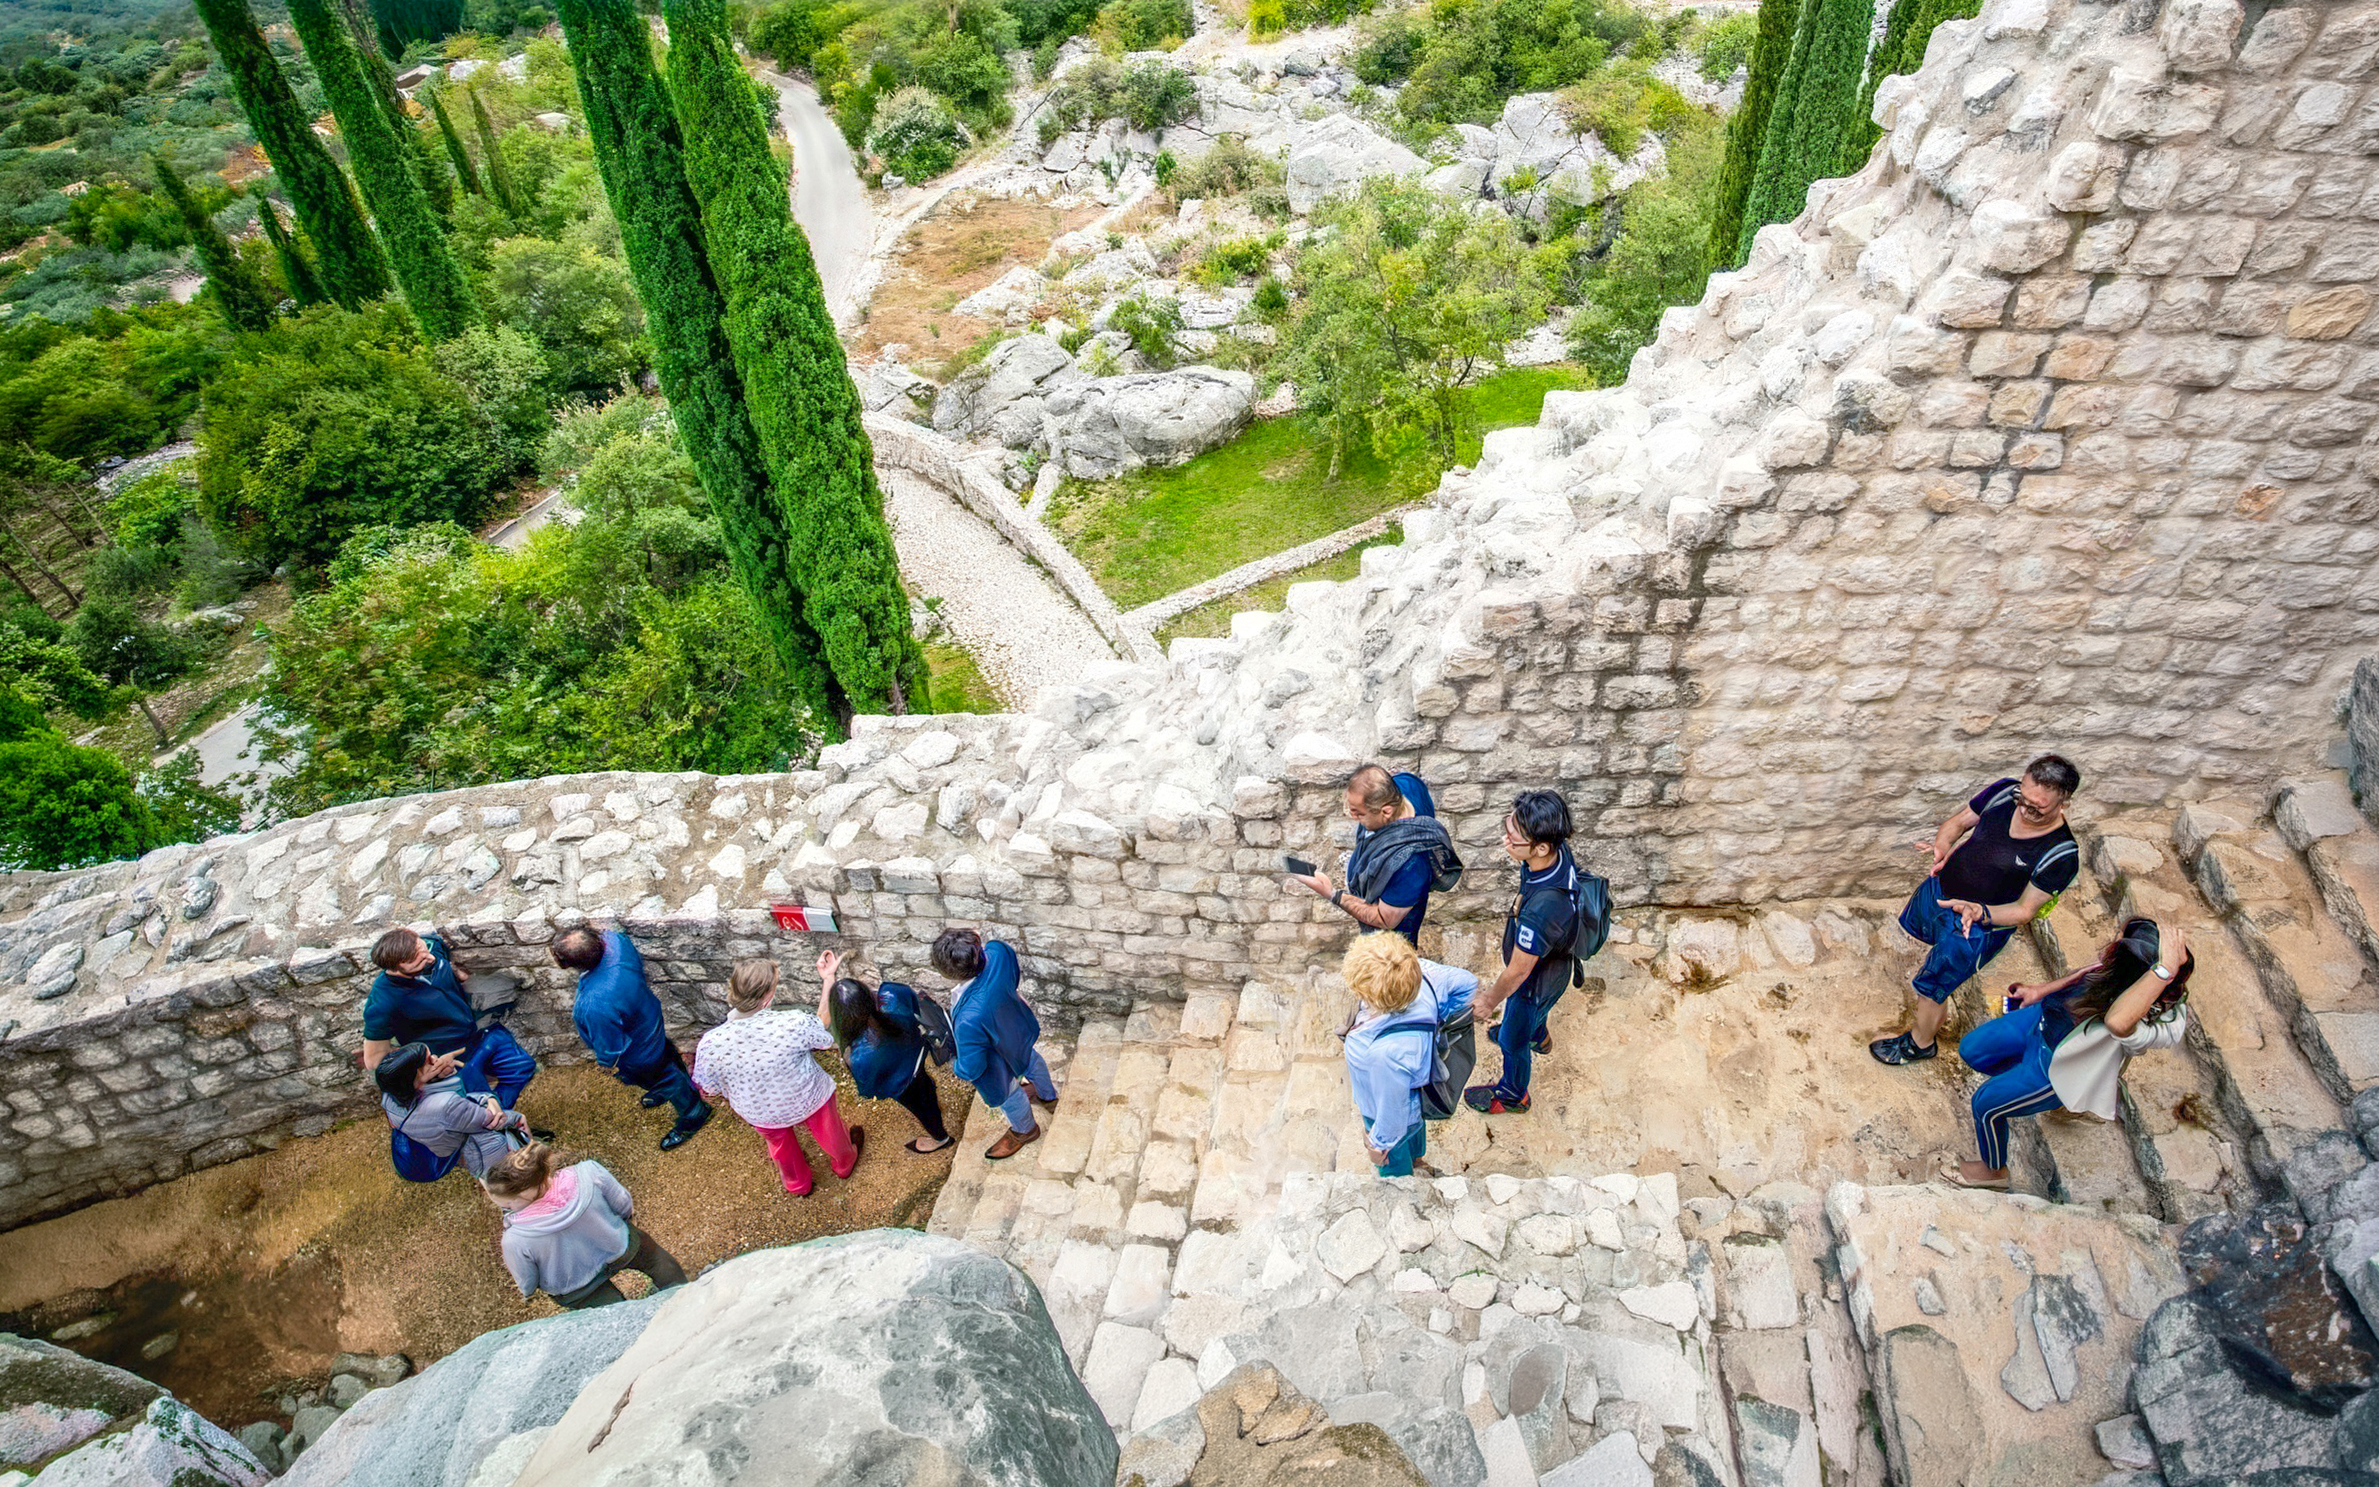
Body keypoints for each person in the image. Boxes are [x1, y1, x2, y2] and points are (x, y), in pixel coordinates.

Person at [1941, 919, 2193, 1189]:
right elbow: (2088, 973)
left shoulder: (2158, 1023)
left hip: (2054, 1066)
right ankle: (2020, 1089)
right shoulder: (2118, 971)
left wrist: (2165, 969)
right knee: (1972, 1050)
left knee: (1985, 1105)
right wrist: (2040, 991)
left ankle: (1993, 1171)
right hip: (2037, 1022)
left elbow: (2118, 1022)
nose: (2114, 943)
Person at [1872, 756, 2084, 1067]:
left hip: (1977, 928)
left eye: (2037, 807)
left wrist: (1979, 912)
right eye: (2022, 799)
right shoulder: (2002, 793)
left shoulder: (2060, 855)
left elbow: (2025, 910)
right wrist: (1942, 846)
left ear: (2064, 801)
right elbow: (1958, 823)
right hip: (1942, 894)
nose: (2024, 810)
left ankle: (1920, 1043)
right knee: (1935, 971)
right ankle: (1940, 997)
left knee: (1932, 987)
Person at [691, 959, 864, 1196]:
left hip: (760, 1111)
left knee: (781, 1148)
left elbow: (709, 1087)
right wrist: (828, 979)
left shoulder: (710, 1044)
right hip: (808, 1096)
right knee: (831, 1132)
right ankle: (844, 1164)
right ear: (766, 998)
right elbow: (822, 1027)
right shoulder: (791, 1022)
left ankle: (798, 1184)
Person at [1464, 790, 1582, 1116]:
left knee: (1511, 1043)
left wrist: (1489, 999)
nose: (1506, 841)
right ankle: (1539, 1037)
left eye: (1513, 838)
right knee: (1532, 1019)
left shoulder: (1545, 907)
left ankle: (1514, 1095)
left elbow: (1518, 971)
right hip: (1555, 970)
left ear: (1541, 847)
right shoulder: (1555, 854)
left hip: (1535, 983)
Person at [361, 927, 544, 1129]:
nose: (430, 958)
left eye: (425, 949)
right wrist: (425, 1069)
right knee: (481, 1106)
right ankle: (500, 1133)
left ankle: (501, 1119)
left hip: (480, 1034)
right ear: (397, 967)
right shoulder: (383, 1002)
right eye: (419, 960)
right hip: (450, 1059)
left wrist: (457, 972)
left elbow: (436, 950)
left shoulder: (430, 947)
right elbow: (374, 1060)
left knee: (521, 1068)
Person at [552, 926, 713, 1152]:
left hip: (639, 1053)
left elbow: (611, 1049)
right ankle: (672, 1086)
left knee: (664, 1077)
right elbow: (606, 931)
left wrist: (608, 1069)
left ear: (566, 964)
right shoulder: (616, 944)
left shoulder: (593, 1005)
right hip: (649, 1022)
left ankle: (694, 1113)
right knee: (668, 1059)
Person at [482, 1143, 686, 1310]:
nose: (505, 1209)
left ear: (524, 1195)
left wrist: (528, 1292)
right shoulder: (589, 1171)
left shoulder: (515, 1239)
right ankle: (682, 1296)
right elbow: (623, 1204)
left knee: (612, 1314)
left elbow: (527, 1282)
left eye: (507, 1205)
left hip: (576, 1286)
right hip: (619, 1246)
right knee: (655, 1262)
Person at [1340, 933, 1478, 1176]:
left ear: (1374, 997)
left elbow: (1393, 1114)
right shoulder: (1425, 974)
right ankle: (1418, 1161)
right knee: (1415, 1124)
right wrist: (1441, 1015)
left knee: (1395, 1168)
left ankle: (1404, 1178)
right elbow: (1467, 983)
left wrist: (1378, 1145)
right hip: (1418, 1087)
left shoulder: (1387, 1055)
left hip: (1382, 1109)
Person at [1289, 764, 1455, 947]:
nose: (1353, 817)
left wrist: (1332, 894)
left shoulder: (1410, 865)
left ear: (1386, 811)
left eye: (1359, 813)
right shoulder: (1405, 786)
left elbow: (1385, 920)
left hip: (1391, 943)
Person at [937, 928, 1058, 1161]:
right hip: (1015, 1028)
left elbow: (972, 1068)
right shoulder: (998, 951)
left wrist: (955, 1065)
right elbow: (1013, 977)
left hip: (995, 1061)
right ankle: (1048, 1097)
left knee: (1010, 1094)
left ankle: (1026, 1130)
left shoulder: (967, 1019)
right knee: (1031, 1059)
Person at [819, 948, 954, 1154]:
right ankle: (933, 1109)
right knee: (926, 1090)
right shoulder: (892, 994)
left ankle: (941, 1138)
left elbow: (870, 1088)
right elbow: (914, 1006)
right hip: (917, 1058)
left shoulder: (857, 1055)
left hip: (902, 1084)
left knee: (923, 1108)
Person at [375, 1041, 529, 1179]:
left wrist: (442, 1076)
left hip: (421, 1150)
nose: (436, 1058)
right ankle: (505, 1176)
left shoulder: (390, 1096)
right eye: (429, 1061)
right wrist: (497, 1103)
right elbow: (489, 1120)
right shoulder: (446, 1105)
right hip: (446, 1156)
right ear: (416, 1074)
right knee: (497, 1134)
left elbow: (442, 1105)